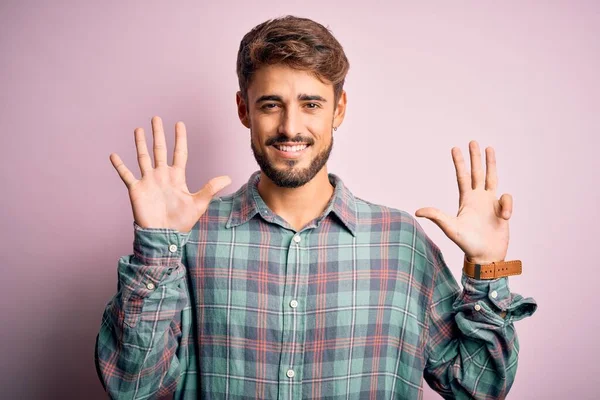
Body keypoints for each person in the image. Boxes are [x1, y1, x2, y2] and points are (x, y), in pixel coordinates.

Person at [95, 15, 537, 400]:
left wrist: (487, 268)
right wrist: (158, 249)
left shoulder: (402, 245)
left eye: (311, 104)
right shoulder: (189, 239)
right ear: (243, 109)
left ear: (338, 109)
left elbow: (478, 388)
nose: (291, 127)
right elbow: (133, 387)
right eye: (271, 104)